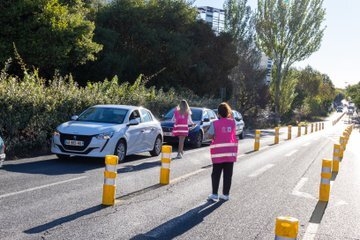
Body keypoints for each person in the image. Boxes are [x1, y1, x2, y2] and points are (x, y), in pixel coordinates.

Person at [207, 102, 238, 201]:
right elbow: (234, 133)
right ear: (228, 112)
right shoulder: (233, 122)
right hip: (230, 153)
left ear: (218, 113)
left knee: (216, 174)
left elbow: (209, 135)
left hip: (218, 154)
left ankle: (214, 194)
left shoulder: (215, 123)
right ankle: (225, 194)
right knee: (228, 175)